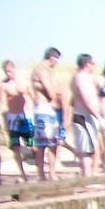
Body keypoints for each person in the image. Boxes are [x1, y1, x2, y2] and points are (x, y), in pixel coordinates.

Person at [31, 46, 63, 180]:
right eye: (57, 59)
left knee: (53, 143)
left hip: (48, 109)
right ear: (52, 57)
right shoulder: (41, 70)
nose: (57, 63)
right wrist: (56, 96)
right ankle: (43, 174)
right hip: (44, 108)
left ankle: (50, 172)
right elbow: (50, 90)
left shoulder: (48, 71)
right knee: (43, 143)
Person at [69, 53, 101, 177]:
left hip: (88, 116)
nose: (93, 66)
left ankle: (88, 177)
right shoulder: (80, 78)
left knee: (90, 148)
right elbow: (86, 99)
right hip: (83, 116)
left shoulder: (86, 77)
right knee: (86, 150)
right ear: (87, 64)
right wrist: (98, 116)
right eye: (92, 63)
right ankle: (87, 179)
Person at [0, 61, 32, 181]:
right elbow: (3, 105)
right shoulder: (3, 86)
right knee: (15, 147)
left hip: (24, 117)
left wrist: (17, 80)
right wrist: (5, 122)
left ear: (14, 69)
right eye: (6, 71)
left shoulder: (21, 81)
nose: (9, 73)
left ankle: (39, 167)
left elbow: (26, 93)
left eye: (10, 70)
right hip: (12, 118)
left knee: (32, 144)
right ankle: (23, 174)